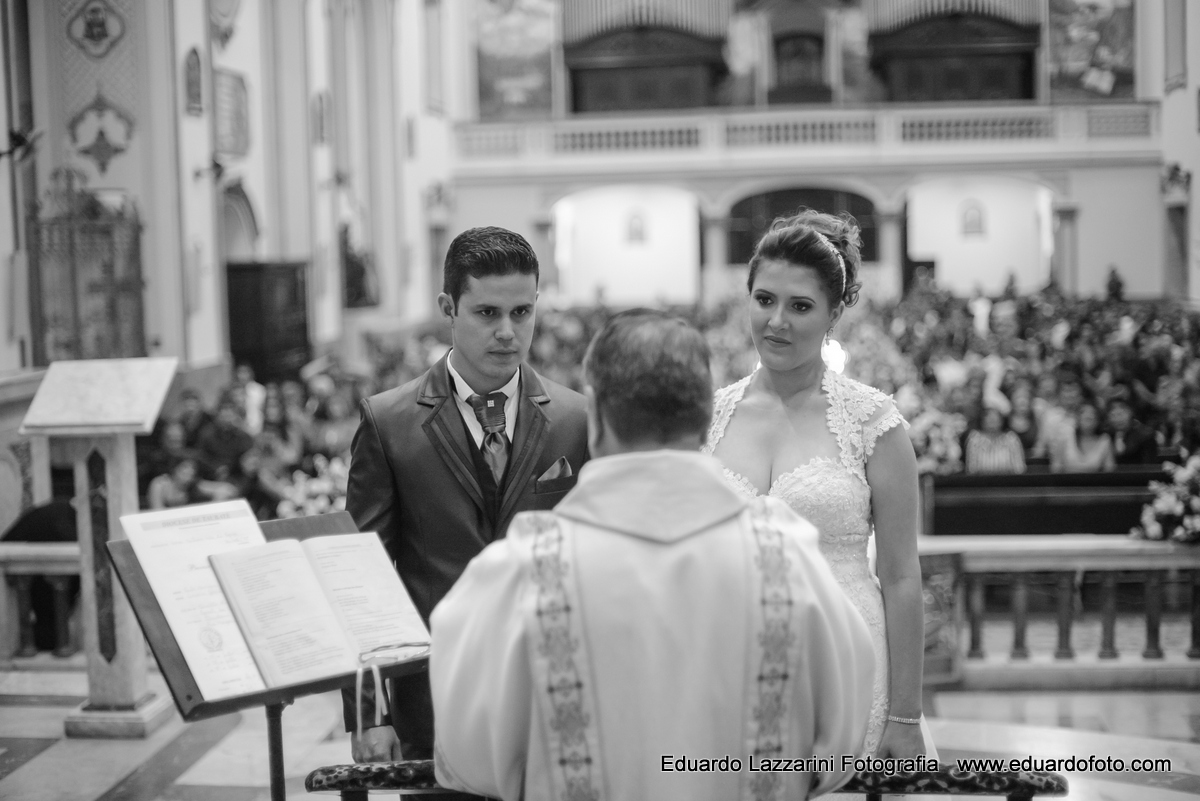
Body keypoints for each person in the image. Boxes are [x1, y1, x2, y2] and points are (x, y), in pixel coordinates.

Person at [431, 311, 876, 801]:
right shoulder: (785, 559)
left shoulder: (525, 569)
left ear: (595, 417)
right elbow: (838, 748)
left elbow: (467, 756)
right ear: (706, 417)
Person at [343, 226, 589, 768]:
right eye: (487, 314)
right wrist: (369, 713)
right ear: (448, 307)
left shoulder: (575, 419)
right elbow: (362, 576)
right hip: (432, 702)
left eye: (522, 313)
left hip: (549, 702)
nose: (508, 332)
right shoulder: (389, 423)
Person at [703, 209, 934, 759]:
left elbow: (902, 577)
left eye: (800, 306)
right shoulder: (710, 417)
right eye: (764, 300)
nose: (777, 321)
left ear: (833, 313)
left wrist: (906, 715)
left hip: (846, 663)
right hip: (729, 668)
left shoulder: (873, 423)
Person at [1051, 402, 1116, 473]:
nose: (1088, 415)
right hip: (1066, 482)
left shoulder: (1105, 439)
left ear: (1098, 420)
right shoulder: (1065, 435)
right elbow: (1056, 467)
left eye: (1093, 413)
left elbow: (1109, 469)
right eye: (1083, 412)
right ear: (1077, 417)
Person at [965, 406, 1027, 474]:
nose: (992, 421)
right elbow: (971, 469)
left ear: (1002, 421)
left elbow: (1020, 468)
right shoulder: (975, 439)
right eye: (989, 419)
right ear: (982, 421)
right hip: (981, 482)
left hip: (1008, 482)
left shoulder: (1011, 439)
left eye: (995, 419)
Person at [1108, 394, 1158, 465]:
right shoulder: (1105, 436)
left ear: (1130, 412)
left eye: (1121, 413)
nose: (1118, 419)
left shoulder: (1146, 436)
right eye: (1113, 415)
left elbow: (1149, 466)